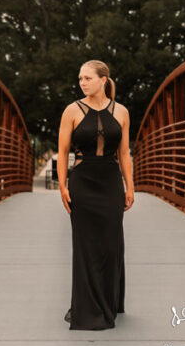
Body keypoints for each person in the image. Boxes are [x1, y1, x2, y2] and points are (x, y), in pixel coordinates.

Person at [57, 60, 134, 330]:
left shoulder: (122, 112)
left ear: (103, 80)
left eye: (87, 78)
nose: (82, 83)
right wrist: (63, 186)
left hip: (111, 182)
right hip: (82, 182)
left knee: (111, 245)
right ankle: (89, 308)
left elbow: (124, 153)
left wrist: (130, 186)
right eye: (80, 79)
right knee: (86, 245)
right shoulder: (71, 110)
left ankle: (110, 300)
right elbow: (63, 151)